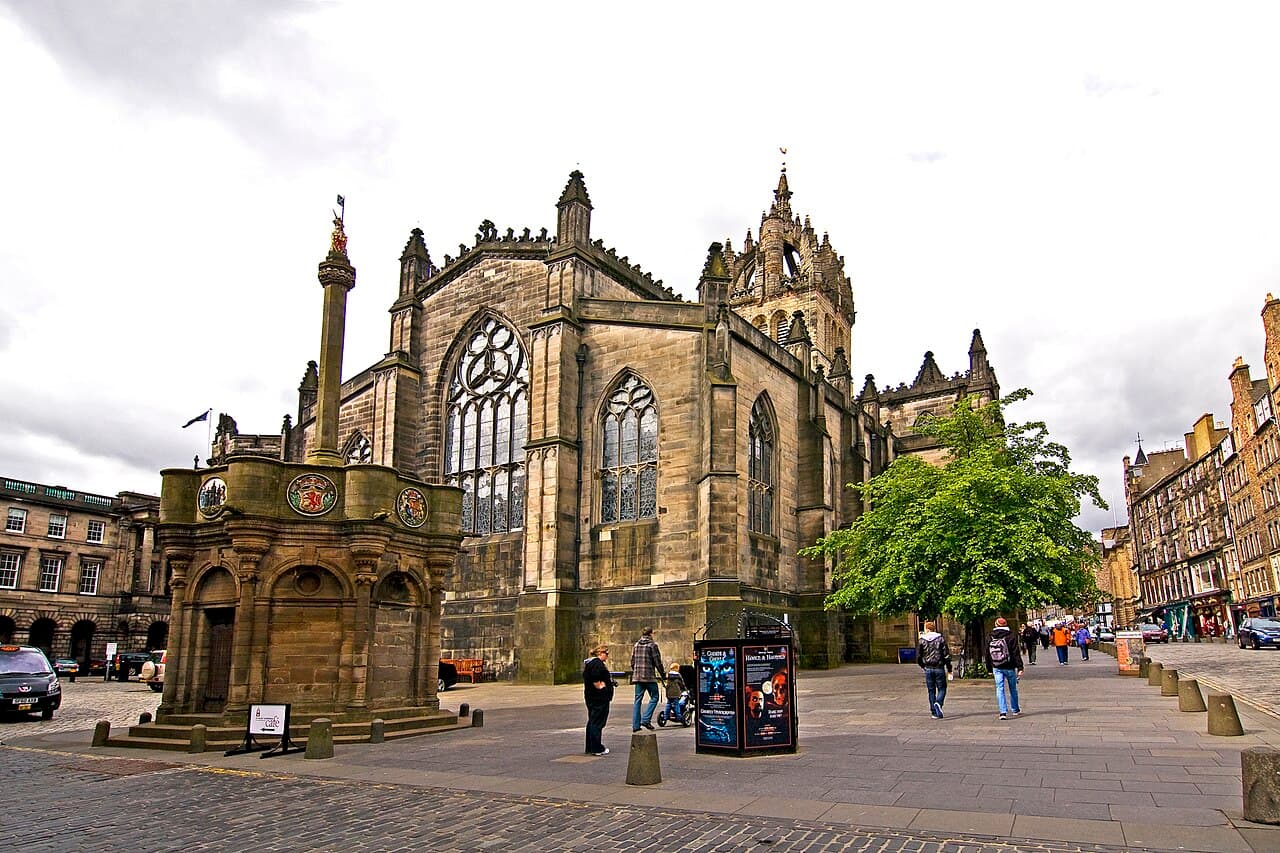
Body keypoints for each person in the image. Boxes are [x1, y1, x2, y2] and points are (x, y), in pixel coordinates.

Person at [984, 617, 1024, 720]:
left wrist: (988, 668)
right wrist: (1020, 667)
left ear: (996, 624)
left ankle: (1003, 712)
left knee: (999, 688)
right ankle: (1015, 709)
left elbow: (987, 653)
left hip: (996, 666)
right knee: (1013, 688)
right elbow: (1016, 653)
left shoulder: (990, 636)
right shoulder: (1011, 635)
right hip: (1009, 666)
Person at [630, 626, 665, 732]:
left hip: (637, 677)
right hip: (649, 676)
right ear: (651, 634)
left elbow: (632, 661)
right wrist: (662, 674)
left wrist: (636, 671)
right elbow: (657, 662)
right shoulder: (652, 645)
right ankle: (645, 719)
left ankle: (635, 726)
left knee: (637, 700)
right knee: (655, 697)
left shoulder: (636, 645)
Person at [582, 644, 615, 756]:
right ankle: (597, 748)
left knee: (592, 721)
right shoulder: (597, 664)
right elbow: (595, 677)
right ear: (601, 653)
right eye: (606, 653)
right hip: (599, 697)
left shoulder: (590, 663)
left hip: (591, 697)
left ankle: (590, 746)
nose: (607, 656)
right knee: (597, 722)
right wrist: (600, 686)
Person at [916, 620, 952, 718]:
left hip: (928, 668)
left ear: (927, 629)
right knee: (942, 688)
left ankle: (934, 712)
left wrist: (923, 666)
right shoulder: (940, 639)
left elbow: (919, 656)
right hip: (939, 667)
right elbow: (946, 655)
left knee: (931, 691)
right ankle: (939, 703)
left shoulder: (921, 640)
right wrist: (949, 668)